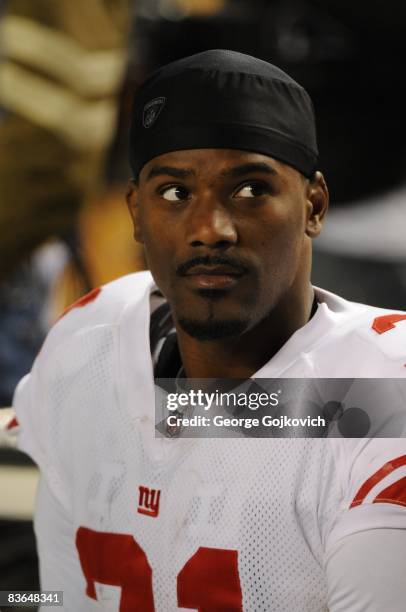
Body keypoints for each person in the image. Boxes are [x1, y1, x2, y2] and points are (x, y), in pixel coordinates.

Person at [11, 50, 406, 611]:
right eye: (174, 192)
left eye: (249, 189)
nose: (210, 229)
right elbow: (58, 599)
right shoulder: (88, 342)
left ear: (314, 205)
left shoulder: (379, 391)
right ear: (137, 214)